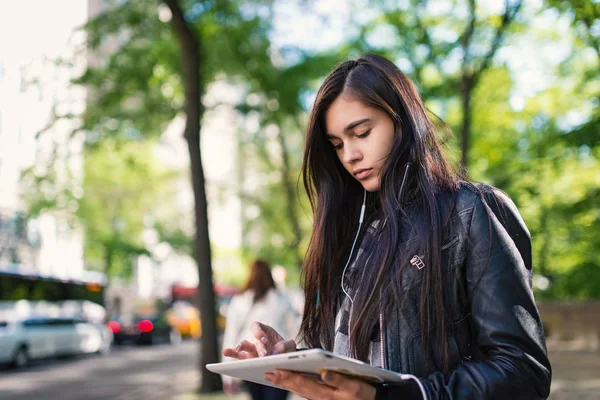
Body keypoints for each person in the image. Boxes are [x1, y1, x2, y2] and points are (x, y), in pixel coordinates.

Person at [222, 54, 551, 399]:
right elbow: (356, 361)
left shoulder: (471, 212)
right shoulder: (351, 233)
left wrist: (401, 395)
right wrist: (299, 360)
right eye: (337, 144)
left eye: (362, 133)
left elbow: (523, 371)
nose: (350, 155)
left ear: (402, 121)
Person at [221, 259, 300, 400]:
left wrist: (227, 377)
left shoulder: (239, 300)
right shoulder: (281, 299)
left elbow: (231, 336)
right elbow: (295, 332)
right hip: (278, 361)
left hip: (249, 363)